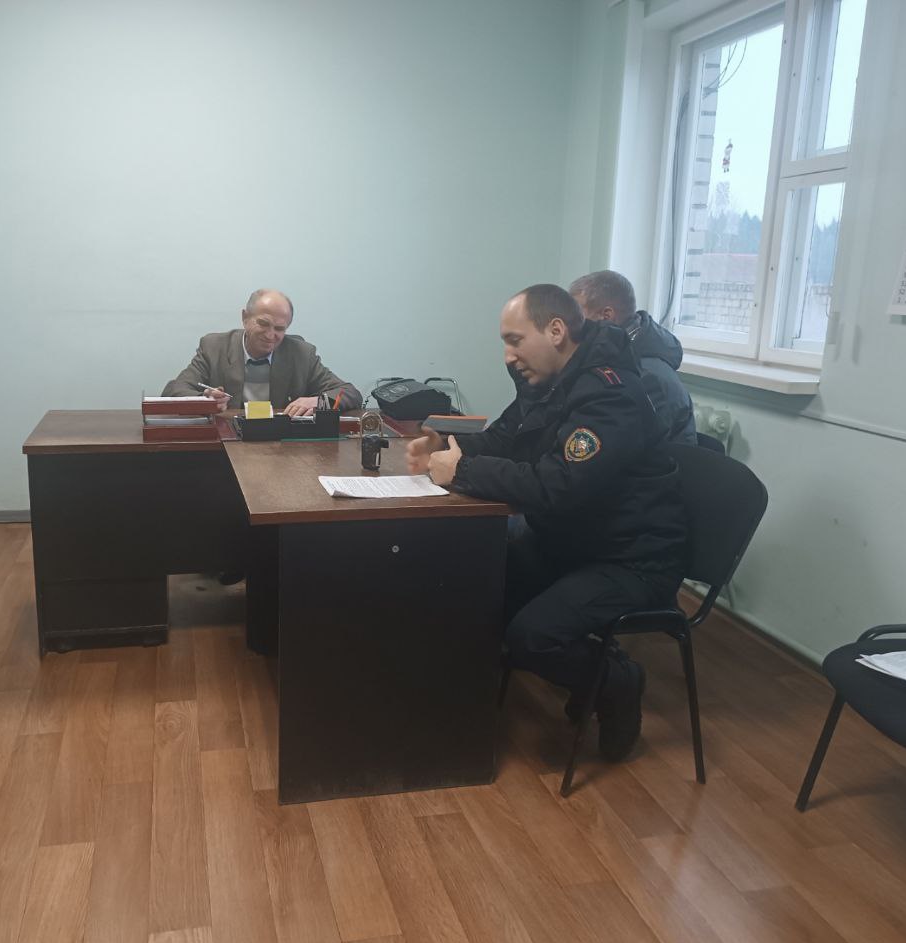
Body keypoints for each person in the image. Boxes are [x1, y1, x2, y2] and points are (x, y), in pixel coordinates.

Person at [406, 284, 687, 761]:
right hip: (575, 542)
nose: (508, 356)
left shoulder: (610, 395)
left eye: (515, 340)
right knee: (474, 590)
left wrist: (464, 470)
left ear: (556, 331)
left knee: (532, 637)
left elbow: (559, 485)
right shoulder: (551, 382)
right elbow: (505, 439)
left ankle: (618, 679)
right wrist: (448, 449)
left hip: (633, 559)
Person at [163, 289, 362, 415]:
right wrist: (204, 400)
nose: (270, 335)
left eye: (280, 329)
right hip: (227, 441)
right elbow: (173, 391)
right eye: (263, 324)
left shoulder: (302, 354)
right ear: (245, 318)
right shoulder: (214, 347)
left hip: (283, 447)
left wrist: (318, 402)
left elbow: (350, 393)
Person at [568, 271, 697, 444]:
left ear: (606, 316)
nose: (570, 326)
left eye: (576, 317)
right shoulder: (615, 356)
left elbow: (615, 442)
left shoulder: (648, 377)